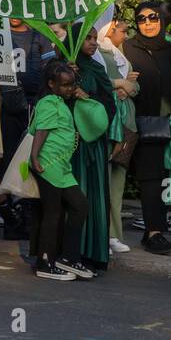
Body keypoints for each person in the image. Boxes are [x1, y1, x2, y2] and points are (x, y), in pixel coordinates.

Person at [122, 0, 171, 254]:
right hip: (147, 123)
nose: (148, 23)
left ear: (162, 20)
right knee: (151, 177)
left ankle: (161, 225)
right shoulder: (128, 49)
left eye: (153, 17)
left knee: (169, 176)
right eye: (141, 19)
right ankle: (153, 232)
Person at [29, 62, 94, 281]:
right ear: (51, 84)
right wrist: (35, 157)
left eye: (71, 84)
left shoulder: (61, 102)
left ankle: (67, 257)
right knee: (53, 212)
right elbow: (41, 131)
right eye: (64, 85)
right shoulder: (49, 102)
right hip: (48, 163)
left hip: (62, 166)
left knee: (80, 206)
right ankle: (45, 262)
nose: (68, 88)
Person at [73, 28, 115, 269]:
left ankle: (92, 254)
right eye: (87, 38)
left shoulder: (97, 69)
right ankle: (70, 252)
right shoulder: (60, 66)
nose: (93, 43)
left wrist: (87, 98)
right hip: (67, 143)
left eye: (94, 38)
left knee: (94, 196)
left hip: (93, 142)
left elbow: (110, 106)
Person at [97, 16, 139, 252]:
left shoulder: (119, 55)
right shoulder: (99, 55)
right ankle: (103, 232)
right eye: (122, 31)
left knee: (117, 182)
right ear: (110, 30)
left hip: (126, 123)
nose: (125, 35)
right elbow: (101, 82)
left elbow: (135, 87)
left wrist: (128, 85)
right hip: (107, 121)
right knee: (102, 179)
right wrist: (120, 84)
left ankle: (113, 234)